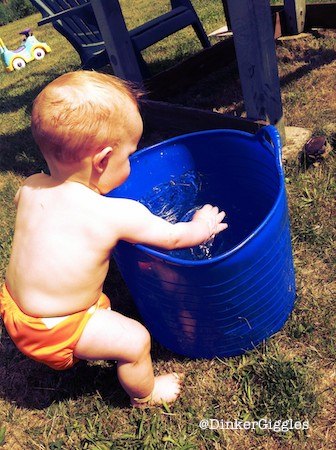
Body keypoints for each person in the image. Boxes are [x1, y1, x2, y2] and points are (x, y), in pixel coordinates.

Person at [0, 71, 228, 406]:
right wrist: (202, 225)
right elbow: (174, 237)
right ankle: (146, 395)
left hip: (12, 308)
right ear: (104, 160)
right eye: (128, 154)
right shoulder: (114, 214)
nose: (131, 163)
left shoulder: (30, 186)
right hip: (58, 329)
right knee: (135, 341)